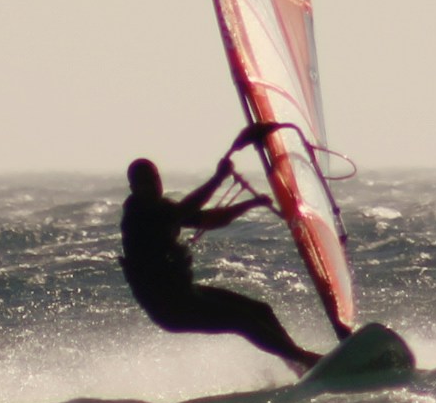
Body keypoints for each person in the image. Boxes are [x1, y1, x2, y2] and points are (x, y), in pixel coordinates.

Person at [119, 136, 322, 372]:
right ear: (133, 188)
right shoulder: (138, 214)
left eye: (154, 179)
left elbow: (209, 219)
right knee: (242, 321)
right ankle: (305, 359)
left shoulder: (162, 208)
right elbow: (185, 210)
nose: (152, 186)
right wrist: (218, 178)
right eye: (144, 183)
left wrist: (250, 204)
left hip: (185, 295)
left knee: (260, 310)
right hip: (170, 308)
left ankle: (298, 364)